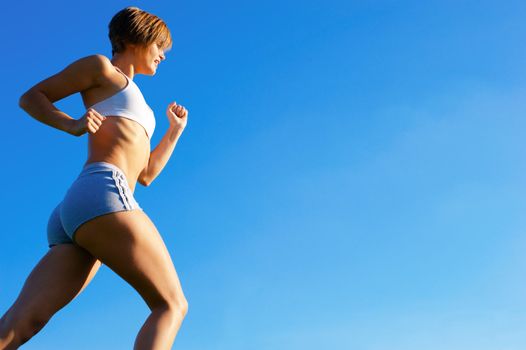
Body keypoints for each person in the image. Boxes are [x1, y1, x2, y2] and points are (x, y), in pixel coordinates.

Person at [0, 6, 188, 349]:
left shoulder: (141, 105)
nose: (163, 55)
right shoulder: (102, 68)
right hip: (104, 191)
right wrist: (71, 124)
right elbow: (31, 98)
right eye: (160, 45)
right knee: (171, 305)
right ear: (139, 37)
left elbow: (145, 175)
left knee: (22, 322)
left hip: (81, 208)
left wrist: (174, 133)